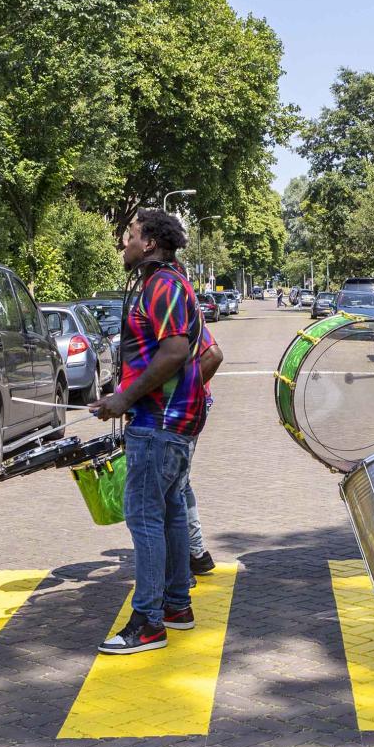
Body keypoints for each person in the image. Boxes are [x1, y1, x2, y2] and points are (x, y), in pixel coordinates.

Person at [89, 208, 209, 655]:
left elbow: (175, 351)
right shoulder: (166, 284)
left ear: (150, 243)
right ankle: (176, 605)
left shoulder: (163, 286)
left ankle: (148, 622)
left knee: (144, 518)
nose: (124, 243)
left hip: (159, 423)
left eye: (131, 235)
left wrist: (125, 398)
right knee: (171, 510)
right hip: (167, 420)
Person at [184, 326, 225, 578]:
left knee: (174, 484)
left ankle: (187, 559)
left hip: (185, 409)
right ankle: (195, 553)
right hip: (187, 407)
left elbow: (214, 355)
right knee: (179, 482)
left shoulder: (178, 312)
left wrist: (183, 393)